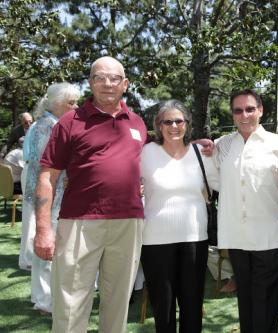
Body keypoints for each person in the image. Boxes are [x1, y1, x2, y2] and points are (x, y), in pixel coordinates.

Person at [34, 56, 147, 333]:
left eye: (115, 78)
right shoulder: (70, 122)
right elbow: (47, 177)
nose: (108, 83)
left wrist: (200, 146)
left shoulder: (137, 123)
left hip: (128, 223)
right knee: (70, 304)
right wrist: (43, 229)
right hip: (79, 223)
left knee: (118, 303)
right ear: (90, 83)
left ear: (125, 84)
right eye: (100, 77)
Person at [214, 89, 278, 333]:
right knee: (245, 300)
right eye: (238, 110)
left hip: (268, 236)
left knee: (266, 301)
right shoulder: (222, 146)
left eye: (250, 109)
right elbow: (210, 179)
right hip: (236, 236)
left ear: (260, 110)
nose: (244, 115)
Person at [140, 99, 219, 333]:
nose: (174, 126)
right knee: (163, 307)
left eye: (179, 121)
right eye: (167, 122)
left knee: (192, 304)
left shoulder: (201, 154)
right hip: (155, 241)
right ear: (158, 125)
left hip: (195, 238)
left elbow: (223, 183)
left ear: (187, 124)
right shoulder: (147, 153)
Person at [22, 82, 81, 314]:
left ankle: (43, 298)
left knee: (47, 248)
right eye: (71, 103)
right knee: (47, 247)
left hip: (50, 195)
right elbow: (47, 165)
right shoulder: (49, 126)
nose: (75, 107)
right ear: (57, 105)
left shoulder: (49, 123)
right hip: (50, 197)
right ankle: (45, 300)